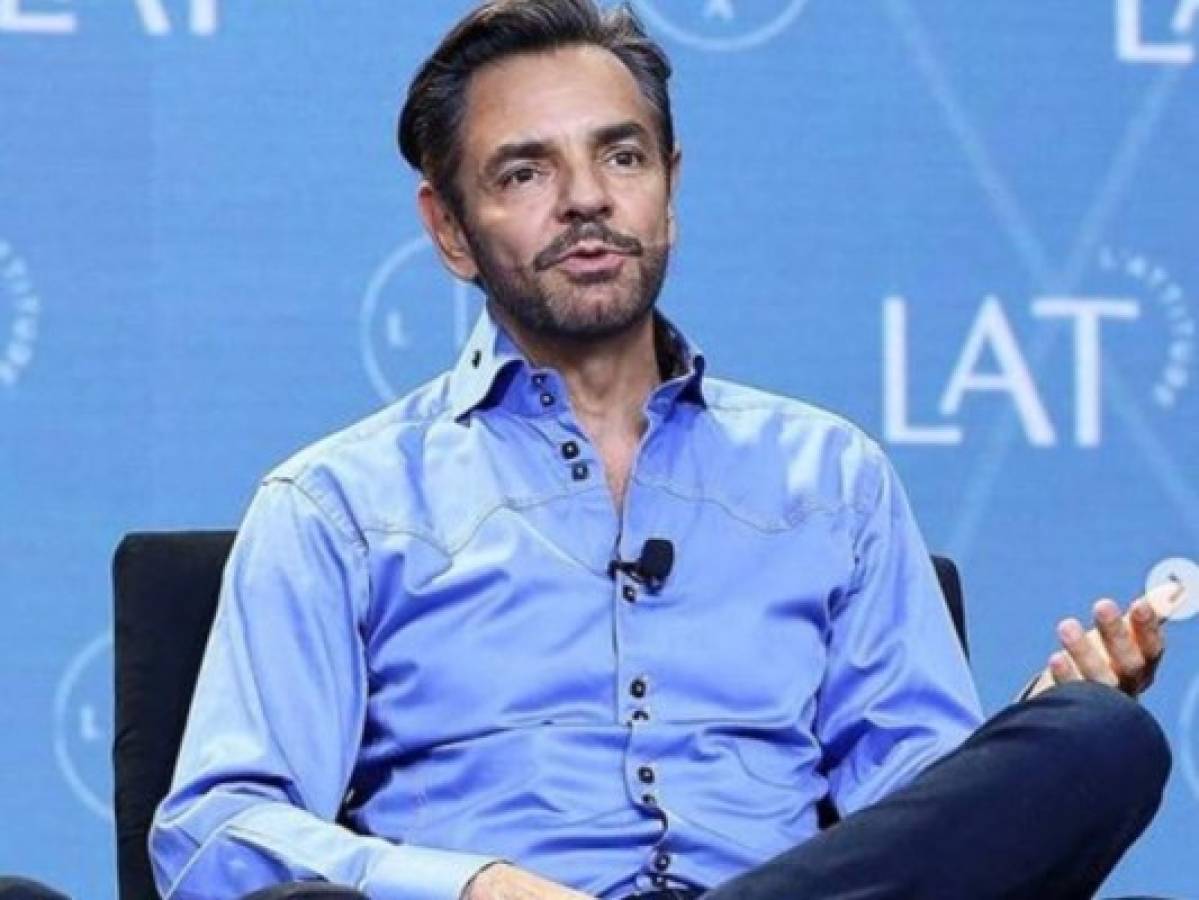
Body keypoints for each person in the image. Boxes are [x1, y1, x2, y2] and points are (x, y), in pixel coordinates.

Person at [149, 2, 1176, 898]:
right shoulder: (339, 504)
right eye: (525, 171)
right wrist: (469, 885)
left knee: (1095, 739)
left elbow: (909, 823)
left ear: (669, 189)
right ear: (449, 229)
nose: (587, 199)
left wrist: (1004, 765)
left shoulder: (831, 481)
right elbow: (214, 832)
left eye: (622, 156)